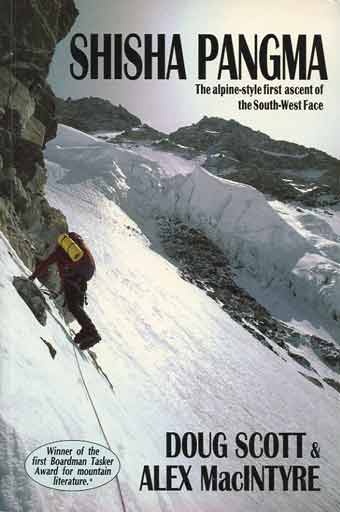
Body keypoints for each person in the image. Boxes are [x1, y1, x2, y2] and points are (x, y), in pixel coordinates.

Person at [29, 232, 101, 349]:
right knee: (76, 304)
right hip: (88, 270)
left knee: (73, 305)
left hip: (75, 274)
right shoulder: (77, 246)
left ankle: (92, 332)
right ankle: (85, 331)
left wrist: (32, 277)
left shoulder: (60, 251)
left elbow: (45, 264)